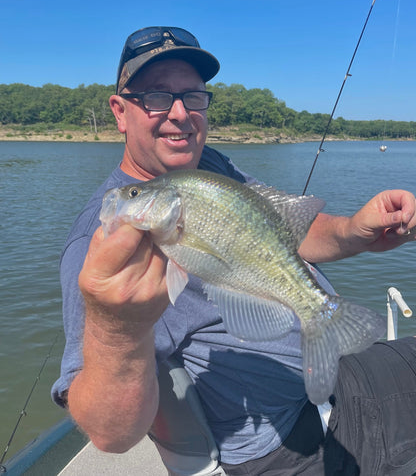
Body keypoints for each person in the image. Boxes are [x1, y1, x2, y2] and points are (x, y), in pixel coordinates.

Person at [52, 26, 416, 475]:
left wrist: (351, 231)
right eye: (156, 96)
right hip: (292, 438)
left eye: (193, 95)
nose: (180, 114)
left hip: (333, 375)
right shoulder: (99, 242)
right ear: (120, 111)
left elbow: (277, 232)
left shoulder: (206, 163)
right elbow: (110, 434)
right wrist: (117, 330)